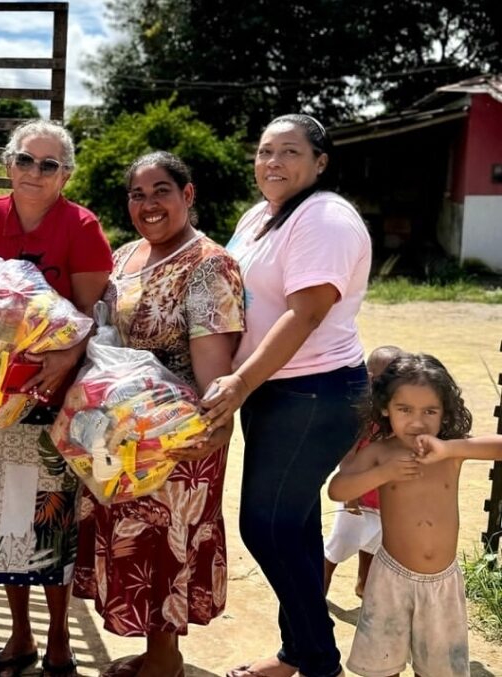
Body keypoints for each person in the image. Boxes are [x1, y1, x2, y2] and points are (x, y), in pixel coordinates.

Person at [200, 113, 372, 677]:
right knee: (291, 523)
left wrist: (242, 380)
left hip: (315, 393)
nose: (273, 162)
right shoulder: (262, 216)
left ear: (320, 162)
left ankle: (318, 662)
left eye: (290, 152)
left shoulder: (324, 218)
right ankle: (300, 652)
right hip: (278, 392)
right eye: (265, 151)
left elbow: (307, 312)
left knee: (267, 525)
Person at [71, 151, 244, 677]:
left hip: (177, 435)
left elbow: (214, 368)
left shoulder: (209, 265)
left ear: (187, 195)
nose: (148, 204)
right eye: (137, 194)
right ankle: (154, 652)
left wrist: (213, 427)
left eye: (161, 190)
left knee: (163, 541)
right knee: (129, 538)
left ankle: (165, 661)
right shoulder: (125, 257)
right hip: (119, 431)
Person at [0, 119, 113, 677]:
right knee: (6, 518)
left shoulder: (82, 226)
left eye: (49, 165)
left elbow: (97, 320)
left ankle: (61, 641)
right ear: (7, 164)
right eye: (26, 160)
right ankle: (20, 637)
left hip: (53, 400)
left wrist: (67, 358)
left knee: (54, 521)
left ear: (65, 174)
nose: (35, 173)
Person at [328, 353, 492, 677]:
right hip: (391, 580)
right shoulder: (379, 452)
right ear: (386, 408)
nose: (417, 422)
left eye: (430, 411)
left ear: (445, 412)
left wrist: (452, 449)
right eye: (405, 410)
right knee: (382, 667)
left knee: (438, 669)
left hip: (442, 584)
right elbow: (338, 489)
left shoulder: (450, 452)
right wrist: (383, 473)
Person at [322, 345, 403, 598]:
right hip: (356, 503)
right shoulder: (362, 417)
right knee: (335, 550)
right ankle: (317, 594)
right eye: (388, 379)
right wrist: (351, 498)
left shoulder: (398, 415)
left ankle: (363, 585)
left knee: (374, 546)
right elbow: (347, 461)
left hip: (385, 503)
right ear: (370, 379)